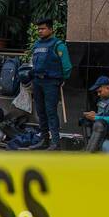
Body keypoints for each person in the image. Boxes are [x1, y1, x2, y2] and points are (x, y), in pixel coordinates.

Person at [28, 17, 71, 150]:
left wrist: (62, 80)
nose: (40, 31)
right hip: (37, 81)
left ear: (51, 29)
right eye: (39, 29)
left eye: (43, 28)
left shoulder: (58, 45)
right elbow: (33, 62)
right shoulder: (36, 44)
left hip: (51, 82)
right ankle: (44, 139)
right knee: (40, 111)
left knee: (51, 111)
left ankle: (55, 142)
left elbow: (67, 66)